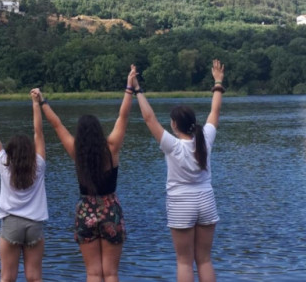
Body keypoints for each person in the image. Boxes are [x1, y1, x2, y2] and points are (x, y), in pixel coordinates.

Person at [31, 64, 136, 282]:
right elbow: (123, 116)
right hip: (110, 211)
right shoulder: (112, 147)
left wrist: (42, 101)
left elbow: (57, 124)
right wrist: (129, 87)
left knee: (93, 273)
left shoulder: (76, 152)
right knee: (111, 273)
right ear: (99, 130)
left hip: (86, 211)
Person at [131, 59, 225, 282]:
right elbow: (214, 112)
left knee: (184, 261)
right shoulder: (205, 140)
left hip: (181, 203)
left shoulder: (172, 145)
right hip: (206, 200)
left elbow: (148, 118)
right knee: (204, 259)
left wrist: (137, 89)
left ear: (174, 125)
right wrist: (218, 82)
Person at [0, 92, 48, 282]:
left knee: (7, 277)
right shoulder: (39, 165)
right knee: (34, 277)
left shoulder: (4, 164)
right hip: (34, 225)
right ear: (31, 151)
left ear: (10, 152)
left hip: (11, 225)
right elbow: (38, 133)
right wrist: (36, 103)